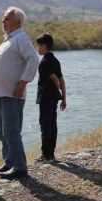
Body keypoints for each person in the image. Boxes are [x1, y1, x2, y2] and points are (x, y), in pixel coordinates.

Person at [0, 7, 39, 180]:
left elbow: (33, 59)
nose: (3, 21)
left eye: (7, 18)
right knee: (0, 131)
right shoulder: (9, 39)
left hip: (12, 94)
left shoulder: (21, 38)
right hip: (1, 93)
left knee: (11, 132)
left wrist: (22, 83)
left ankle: (20, 167)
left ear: (17, 21)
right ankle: (9, 162)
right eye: (3, 18)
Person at [35, 33, 66, 162]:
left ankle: (46, 155)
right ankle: (51, 153)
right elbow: (61, 79)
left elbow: (54, 78)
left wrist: (57, 86)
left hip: (46, 97)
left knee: (45, 125)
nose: (37, 48)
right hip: (53, 98)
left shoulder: (44, 62)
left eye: (38, 45)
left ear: (44, 46)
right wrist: (64, 98)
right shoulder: (55, 60)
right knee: (52, 124)